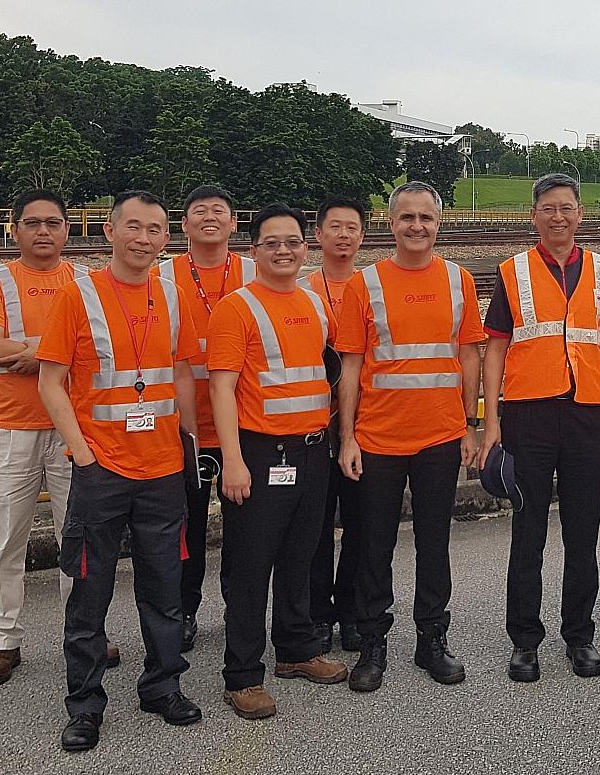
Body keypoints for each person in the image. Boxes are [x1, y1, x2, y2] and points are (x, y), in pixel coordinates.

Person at [38, 190, 203, 752]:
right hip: (101, 466)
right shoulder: (76, 296)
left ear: (166, 237)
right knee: (90, 589)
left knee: (164, 585)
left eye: (155, 230)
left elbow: (180, 373)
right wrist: (82, 454)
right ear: (110, 232)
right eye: (133, 227)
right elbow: (49, 382)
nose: (144, 239)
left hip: (161, 468)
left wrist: (188, 440)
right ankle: (84, 705)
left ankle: (162, 686)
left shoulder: (175, 297)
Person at [336, 182, 484, 691]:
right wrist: (348, 437)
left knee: (434, 543)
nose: (416, 226)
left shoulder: (457, 279)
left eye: (426, 217)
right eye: (407, 218)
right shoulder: (366, 283)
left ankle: (431, 640)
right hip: (377, 436)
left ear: (438, 224)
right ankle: (373, 642)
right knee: (374, 545)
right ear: (389, 222)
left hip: (440, 435)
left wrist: (471, 424)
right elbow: (351, 365)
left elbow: (469, 356)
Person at [206, 204, 347, 720]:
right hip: (260, 454)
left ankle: (296, 649)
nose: (284, 250)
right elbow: (221, 387)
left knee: (301, 556)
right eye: (272, 243)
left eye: (292, 241)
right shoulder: (236, 308)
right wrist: (233, 461)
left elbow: (322, 371)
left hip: (311, 451)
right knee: (249, 566)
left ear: (304, 249)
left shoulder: (313, 305)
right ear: (254, 251)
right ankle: (242, 675)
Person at [481, 173, 600, 682]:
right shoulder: (512, 271)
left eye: (567, 208)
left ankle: (579, 637)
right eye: (548, 209)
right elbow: (495, 346)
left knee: (583, 536)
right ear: (534, 215)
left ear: (580, 214)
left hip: (586, 414)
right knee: (528, 532)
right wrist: (490, 419)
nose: (557, 217)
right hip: (528, 415)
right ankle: (525, 640)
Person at [0, 190, 110, 686]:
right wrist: (52, 353)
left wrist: (29, 354)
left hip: (75, 426)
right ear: (15, 229)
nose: (43, 231)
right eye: (33, 223)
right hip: (11, 428)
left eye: (54, 222)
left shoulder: (86, 282)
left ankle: (85, 631)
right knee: (6, 540)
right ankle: (1, 640)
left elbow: (97, 348)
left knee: (80, 536)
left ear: (69, 229)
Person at [157, 185, 256, 654]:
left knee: (244, 528)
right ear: (184, 224)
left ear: (235, 223)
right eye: (200, 211)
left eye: (221, 210)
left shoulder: (258, 271)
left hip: (246, 423)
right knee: (186, 528)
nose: (210, 217)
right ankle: (185, 610)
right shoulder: (161, 277)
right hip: (185, 425)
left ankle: (242, 609)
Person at [302, 195, 369, 655]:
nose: (343, 235)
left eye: (352, 228)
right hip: (313, 425)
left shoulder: (371, 287)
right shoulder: (302, 289)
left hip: (367, 424)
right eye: (335, 227)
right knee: (314, 527)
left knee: (363, 525)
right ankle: (317, 615)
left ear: (362, 236)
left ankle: (353, 612)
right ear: (319, 235)